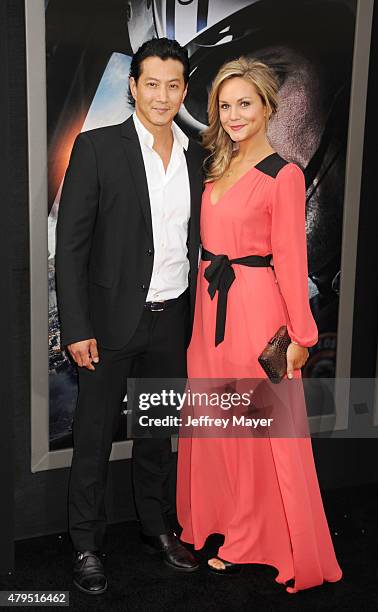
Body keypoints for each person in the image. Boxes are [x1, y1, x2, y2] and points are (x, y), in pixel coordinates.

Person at [176, 57, 343, 593]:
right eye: (224, 105)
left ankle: (254, 539)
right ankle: (218, 524)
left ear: (268, 106)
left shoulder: (284, 175)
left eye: (244, 103)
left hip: (255, 314)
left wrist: (302, 338)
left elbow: (292, 264)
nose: (233, 115)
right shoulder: (216, 168)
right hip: (208, 315)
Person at [55, 37, 204, 595]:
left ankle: (156, 528)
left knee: (157, 434)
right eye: (152, 84)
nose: (162, 96)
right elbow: (70, 247)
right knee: (92, 437)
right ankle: (87, 545)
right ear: (134, 87)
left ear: (184, 90)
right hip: (109, 323)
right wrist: (77, 327)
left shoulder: (198, 155)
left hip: (172, 321)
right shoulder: (96, 148)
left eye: (173, 85)